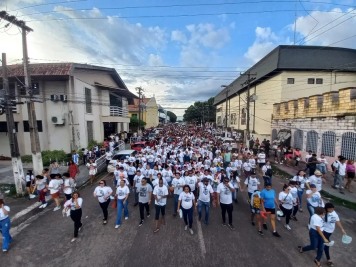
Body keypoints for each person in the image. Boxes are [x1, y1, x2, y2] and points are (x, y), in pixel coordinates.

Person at [323, 202, 347, 267]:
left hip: (330, 231)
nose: (332, 210)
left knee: (322, 243)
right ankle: (329, 260)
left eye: (332, 209)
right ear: (326, 208)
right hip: (324, 231)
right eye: (330, 209)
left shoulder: (334, 212)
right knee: (327, 245)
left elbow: (337, 221)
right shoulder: (323, 213)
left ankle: (317, 245)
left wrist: (342, 229)